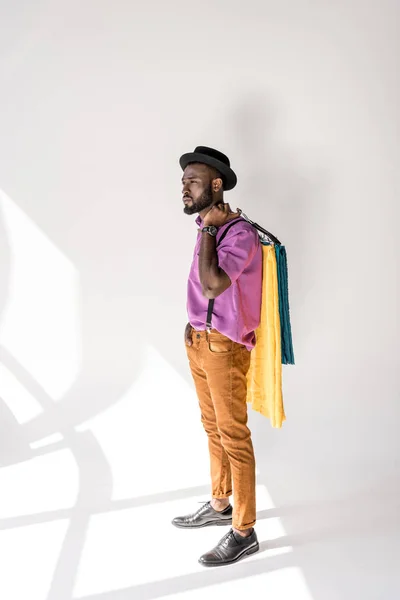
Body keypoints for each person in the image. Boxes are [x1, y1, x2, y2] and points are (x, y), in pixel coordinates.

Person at [172, 146, 263, 566]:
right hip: (200, 341)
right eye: (183, 181)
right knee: (212, 427)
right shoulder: (205, 225)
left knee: (234, 436)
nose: (184, 189)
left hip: (225, 348)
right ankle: (221, 502)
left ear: (216, 184)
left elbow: (212, 286)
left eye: (192, 181)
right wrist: (192, 325)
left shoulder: (238, 233)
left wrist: (210, 230)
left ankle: (244, 531)